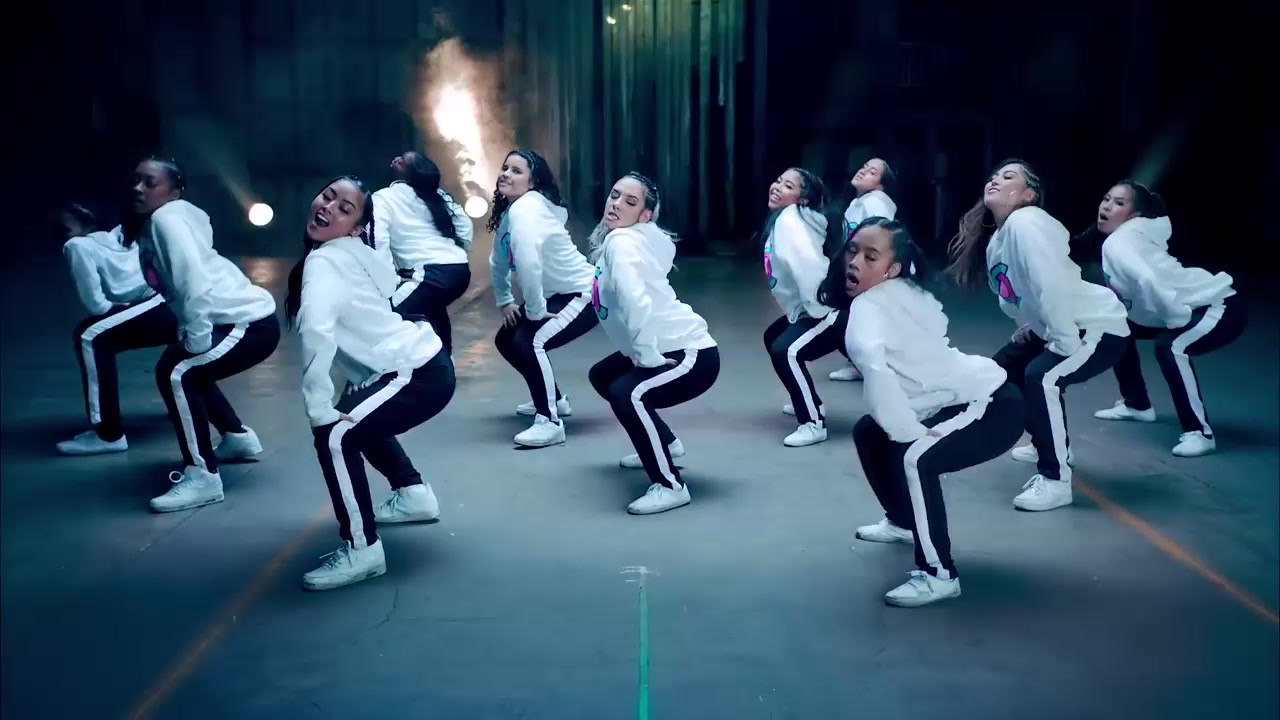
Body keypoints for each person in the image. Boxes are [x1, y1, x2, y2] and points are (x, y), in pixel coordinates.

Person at [832, 217, 1024, 607]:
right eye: (853, 250)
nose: (855, 261)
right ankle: (903, 521)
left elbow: (878, 378)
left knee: (916, 458)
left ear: (892, 269)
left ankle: (939, 576)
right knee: (869, 432)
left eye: (870, 256)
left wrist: (909, 430)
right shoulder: (900, 291)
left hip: (989, 404)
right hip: (954, 398)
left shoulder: (868, 311)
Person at [286, 175, 456, 591]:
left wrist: (318, 405)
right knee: (355, 413)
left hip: (414, 371)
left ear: (356, 228)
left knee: (335, 434)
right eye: (327, 196)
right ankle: (413, 495)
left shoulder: (325, 261)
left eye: (344, 209)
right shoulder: (348, 254)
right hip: (420, 367)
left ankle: (363, 550)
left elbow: (316, 329)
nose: (328, 208)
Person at [947, 159, 1130, 512]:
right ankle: (1046, 437)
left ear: (1028, 195)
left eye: (1008, 176)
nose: (995, 180)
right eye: (993, 176)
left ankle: (1055, 480)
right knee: (1004, 369)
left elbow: (1051, 282)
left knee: (1042, 377)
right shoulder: (1000, 238)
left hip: (1095, 325)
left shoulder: (1027, 222)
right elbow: (1018, 294)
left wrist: (1062, 340)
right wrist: (1032, 327)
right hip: (1062, 323)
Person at [131, 157, 280, 513]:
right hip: (239, 321)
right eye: (136, 180)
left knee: (178, 372)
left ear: (174, 191)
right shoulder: (170, 218)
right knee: (182, 367)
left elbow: (192, 280)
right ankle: (237, 438)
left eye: (150, 182)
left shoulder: (166, 219)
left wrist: (197, 335)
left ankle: (203, 478)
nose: (138, 188)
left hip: (247, 323)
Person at [585, 172, 720, 515]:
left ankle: (670, 486)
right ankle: (666, 444)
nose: (616, 204)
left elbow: (635, 299)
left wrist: (646, 357)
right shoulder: (626, 240)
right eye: (615, 195)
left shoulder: (621, 242)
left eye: (630, 202)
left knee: (627, 393)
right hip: (666, 348)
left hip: (690, 353)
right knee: (603, 376)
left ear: (645, 215)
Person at [1087, 180, 1246, 457]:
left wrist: (1176, 317)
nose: (1107, 206)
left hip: (1217, 306)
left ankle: (1199, 434)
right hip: (1184, 306)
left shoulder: (1118, 242)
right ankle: (1137, 405)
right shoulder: (1130, 236)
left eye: (1119, 203)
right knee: (1113, 325)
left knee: (1170, 347)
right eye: (1106, 199)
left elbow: (1148, 279)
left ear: (1134, 216)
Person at [487, 149, 597, 448]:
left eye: (516, 171)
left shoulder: (528, 209)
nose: (506, 174)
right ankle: (554, 400)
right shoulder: (511, 212)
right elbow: (498, 260)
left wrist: (535, 310)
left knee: (529, 341)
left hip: (584, 294)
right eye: (505, 168)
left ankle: (549, 422)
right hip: (558, 294)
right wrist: (504, 300)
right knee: (506, 339)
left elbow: (528, 261)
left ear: (533, 182)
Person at [56, 203, 178, 456]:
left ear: (85, 222)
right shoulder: (123, 233)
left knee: (89, 336)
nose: (64, 232)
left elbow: (96, 304)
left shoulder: (78, 246)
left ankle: (107, 434)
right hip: (175, 305)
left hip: (156, 307)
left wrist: (115, 307)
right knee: (97, 333)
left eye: (66, 226)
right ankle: (184, 405)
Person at [760, 167, 845, 447]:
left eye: (788, 186)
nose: (777, 187)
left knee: (786, 350)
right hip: (811, 308)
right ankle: (807, 402)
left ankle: (813, 423)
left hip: (826, 308)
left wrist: (819, 308)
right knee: (774, 337)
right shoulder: (788, 218)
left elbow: (808, 266)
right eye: (778, 181)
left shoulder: (790, 223)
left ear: (803, 199)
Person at [371, 151, 473, 353]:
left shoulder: (383, 197)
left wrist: (386, 280)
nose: (396, 158)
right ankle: (444, 361)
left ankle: (383, 371)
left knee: (388, 317)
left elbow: (378, 239)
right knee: (432, 310)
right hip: (459, 271)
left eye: (403, 161)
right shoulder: (439, 196)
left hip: (430, 274)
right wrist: (453, 253)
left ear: (413, 172)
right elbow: (465, 229)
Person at [830, 157, 899, 383]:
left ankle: (864, 365)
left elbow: (882, 237)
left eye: (872, 172)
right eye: (864, 167)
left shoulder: (875, 202)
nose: (862, 171)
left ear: (881, 185)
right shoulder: (859, 202)